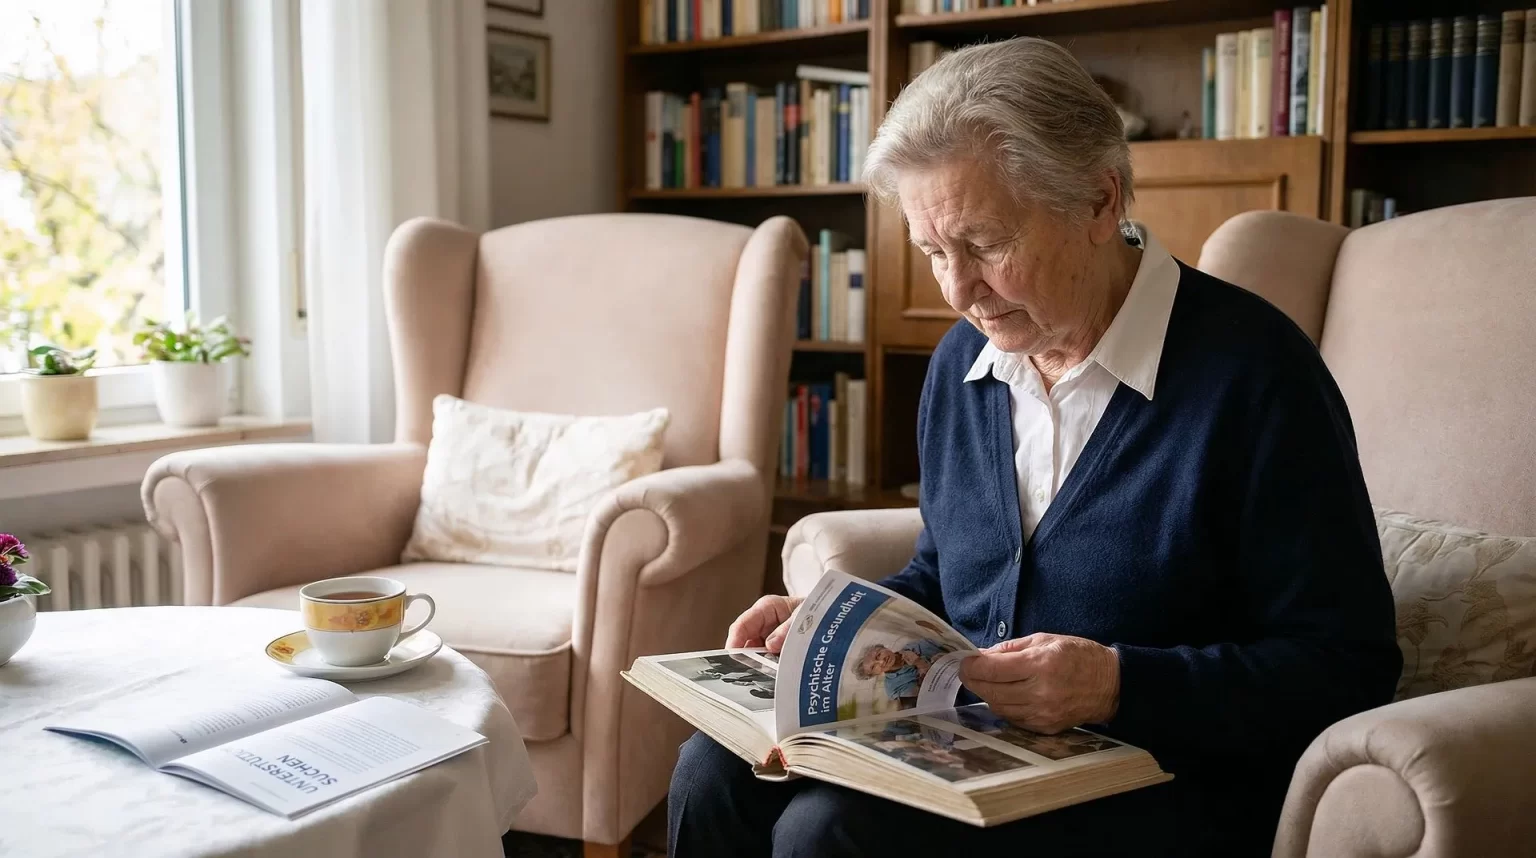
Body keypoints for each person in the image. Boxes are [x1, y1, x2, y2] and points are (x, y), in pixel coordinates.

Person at [667, 36, 1401, 858]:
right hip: (975, 752)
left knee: (829, 833)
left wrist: (1120, 686)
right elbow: (951, 578)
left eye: (983, 245)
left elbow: (1348, 666)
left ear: (1098, 200)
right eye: (933, 253)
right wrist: (837, 630)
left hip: (1162, 776)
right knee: (711, 770)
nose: (956, 290)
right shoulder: (963, 364)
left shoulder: (1258, 377)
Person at [853, 639, 946, 702]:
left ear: (885, 648)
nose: (881, 661)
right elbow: (929, 699)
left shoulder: (918, 645)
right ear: (874, 674)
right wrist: (920, 663)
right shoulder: (894, 689)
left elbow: (953, 652)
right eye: (873, 667)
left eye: (879, 654)